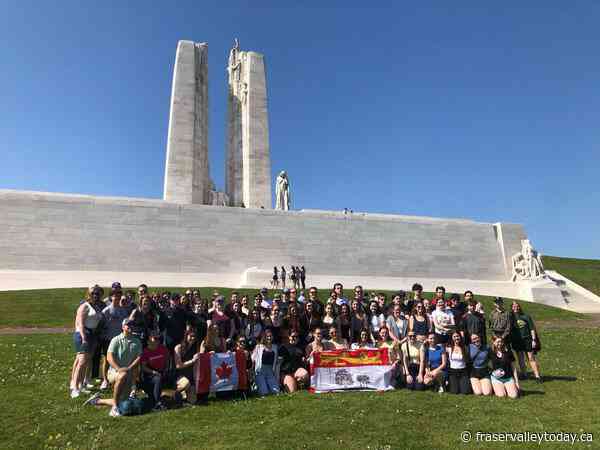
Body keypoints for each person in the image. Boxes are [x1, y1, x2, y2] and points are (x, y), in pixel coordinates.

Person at [70, 286, 103, 398]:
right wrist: (84, 338)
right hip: (83, 334)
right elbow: (80, 323)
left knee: (87, 361)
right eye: (93, 293)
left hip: (92, 335)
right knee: (81, 362)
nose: (95, 295)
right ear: (89, 294)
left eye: (98, 293)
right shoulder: (84, 306)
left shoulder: (97, 306)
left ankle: (81, 385)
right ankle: (74, 387)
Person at [106, 319, 143, 416]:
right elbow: (109, 357)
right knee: (122, 375)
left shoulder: (137, 342)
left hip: (129, 374)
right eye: (128, 325)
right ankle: (114, 408)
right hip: (114, 372)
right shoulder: (116, 340)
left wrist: (130, 368)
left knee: (123, 402)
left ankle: (97, 401)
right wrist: (118, 369)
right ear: (123, 327)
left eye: (132, 325)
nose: (130, 326)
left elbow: (139, 358)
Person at [99, 293, 131, 390]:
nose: (116, 298)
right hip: (108, 339)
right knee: (107, 359)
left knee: (118, 359)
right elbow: (101, 324)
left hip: (119, 339)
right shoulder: (106, 310)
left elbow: (126, 323)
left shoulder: (123, 310)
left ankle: (117, 378)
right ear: (111, 298)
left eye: (118, 297)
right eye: (114, 296)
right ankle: (105, 380)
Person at [510, 302, 542, 382]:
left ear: (519, 307)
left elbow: (532, 329)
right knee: (520, 358)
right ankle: (524, 374)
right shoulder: (511, 318)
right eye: (514, 306)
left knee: (531, 358)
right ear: (511, 308)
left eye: (517, 306)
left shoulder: (526, 316)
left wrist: (534, 340)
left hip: (527, 339)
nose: (516, 308)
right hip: (517, 341)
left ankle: (537, 376)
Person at [140, 329, 170, 409]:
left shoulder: (163, 349)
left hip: (161, 372)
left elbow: (167, 360)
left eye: (158, 339)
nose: (157, 340)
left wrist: (166, 369)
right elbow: (143, 367)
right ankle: (157, 403)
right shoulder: (145, 351)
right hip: (149, 374)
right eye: (155, 338)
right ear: (149, 339)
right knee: (158, 378)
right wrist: (153, 372)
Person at [174, 329, 201, 405]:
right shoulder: (178, 347)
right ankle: (173, 394)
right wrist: (192, 360)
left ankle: (184, 395)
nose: (193, 338)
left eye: (194, 336)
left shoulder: (196, 347)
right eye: (191, 336)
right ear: (186, 336)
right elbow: (178, 366)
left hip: (191, 375)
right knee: (186, 384)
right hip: (179, 375)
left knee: (193, 401)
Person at [252, 329, 280, 396]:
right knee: (264, 393)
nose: (269, 338)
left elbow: (275, 361)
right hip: (260, 371)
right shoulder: (259, 347)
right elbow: (252, 359)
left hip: (270, 372)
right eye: (267, 336)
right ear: (264, 337)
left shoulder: (275, 347)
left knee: (277, 392)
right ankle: (256, 386)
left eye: (270, 336)